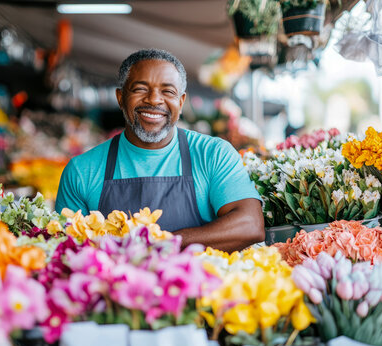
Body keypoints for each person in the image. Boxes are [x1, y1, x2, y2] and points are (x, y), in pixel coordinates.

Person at [55, 49, 264, 252]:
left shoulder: (213, 154)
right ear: (120, 97)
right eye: (140, 89)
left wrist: (159, 244)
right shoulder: (81, 171)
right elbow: (67, 250)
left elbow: (250, 225)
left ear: (181, 103)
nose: (154, 100)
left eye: (168, 91)